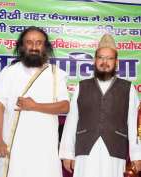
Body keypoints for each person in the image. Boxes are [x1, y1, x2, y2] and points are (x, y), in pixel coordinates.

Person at [0, 26, 70, 177]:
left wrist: (35, 106)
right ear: (22, 46)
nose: (34, 47)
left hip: (44, 146)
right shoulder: (9, 72)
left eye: (39, 43)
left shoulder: (56, 74)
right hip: (12, 146)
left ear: (45, 47)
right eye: (29, 42)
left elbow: (65, 106)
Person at [59, 34, 141, 177]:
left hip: (115, 151)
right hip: (85, 151)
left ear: (116, 62)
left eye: (109, 58)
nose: (105, 62)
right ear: (95, 61)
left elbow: (134, 124)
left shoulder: (128, 88)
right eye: (101, 58)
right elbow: (72, 120)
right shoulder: (81, 86)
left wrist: (137, 155)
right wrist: (67, 152)